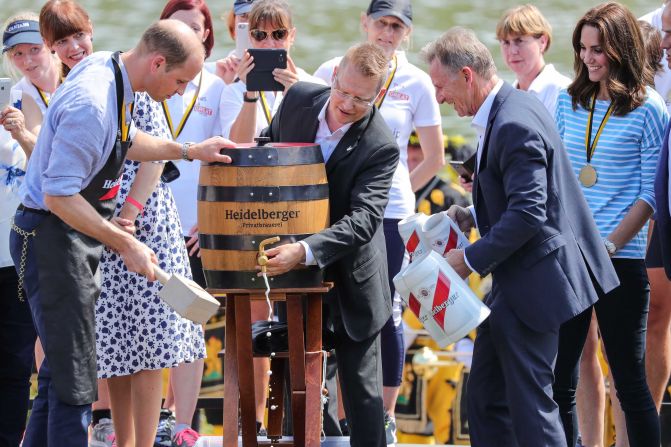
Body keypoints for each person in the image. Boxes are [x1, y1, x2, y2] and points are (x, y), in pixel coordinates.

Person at [9, 20, 233, 447]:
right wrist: (126, 241)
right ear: (158, 62)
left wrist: (186, 150)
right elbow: (59, 195)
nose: (184, 91)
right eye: (181, 80)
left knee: (59, 372)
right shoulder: (91, 104)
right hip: (51, 235)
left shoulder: (113, 70)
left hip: (67, 232)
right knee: (76, 380)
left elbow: (124, 142)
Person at [422, 27, 619, 447]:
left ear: (467, 75)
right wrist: (470, 212)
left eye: (441, 85)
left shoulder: (511, 121)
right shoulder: (513, 105)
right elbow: (521, 195)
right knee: (487, 395)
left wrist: (468, 259)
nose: (438, 97)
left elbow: (529, 213)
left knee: (531, 406)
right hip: (519, 283)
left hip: (535, 285)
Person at [313, 3, 443, 443]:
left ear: (407, 33)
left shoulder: (418, 82)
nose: (387, 32)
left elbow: (434, 157)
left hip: (390, 213)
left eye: (397, 26)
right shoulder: (334, 69)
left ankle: (382, 416)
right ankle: (335, 412)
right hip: (332, 212)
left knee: (384, 313)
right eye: (381, 22)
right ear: (364, 23)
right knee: (329, 309)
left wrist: (400, 187)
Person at [258, 42, 399, 447]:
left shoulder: (382, 144)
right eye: (344, 91)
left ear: (378, 94)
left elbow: (365, 220)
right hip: (294, 272)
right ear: (334, 75)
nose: (348, 104)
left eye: (361, 98)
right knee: (293, 379)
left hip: (353, 277)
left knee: (362, 394)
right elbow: (270, 145)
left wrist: (303, 250)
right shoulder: (299, 97)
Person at [553, 3, 668, 447]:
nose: (588, 58)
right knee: (560, 380)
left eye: (598, 49)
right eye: (582, 48)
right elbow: (558, 177)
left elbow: (651, 194)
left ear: (621, 48)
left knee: (630, 382)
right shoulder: (568, 100)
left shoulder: (650, 108)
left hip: (621, 260)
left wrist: (612, 245)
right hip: (571, 259)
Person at [153, 0, 226, 445]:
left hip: (196, 228)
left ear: (206, 36)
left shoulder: (218, 85)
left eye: (194, 28)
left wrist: (210, 218)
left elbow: (229, 153)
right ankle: (155, 416)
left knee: (190, 322)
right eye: (177, 27)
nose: (186, 34)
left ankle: (183, 423)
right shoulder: (148, 81)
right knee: (149, 320)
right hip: (153, 223)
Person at [1, 12, 60, 158]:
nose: (27, 61)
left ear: (49, 44)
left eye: (34, 49)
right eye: (18, 53)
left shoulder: (78, 73)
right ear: (10, 57)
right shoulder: (15, 101)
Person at [495, 4, 570, 115]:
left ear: (543, 41)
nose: (512, 51)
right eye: (506, 42)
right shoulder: (507, 96)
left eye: (519, 41)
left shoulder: (562, 91)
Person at [407, 131, 470, 216]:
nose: (409, 166)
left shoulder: (452, 196)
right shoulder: (396, 191)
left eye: (415, 159)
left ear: (429, 161)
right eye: (405, 160)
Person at [214, 0, 258, 84]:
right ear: (233, 27)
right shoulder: (220, 71)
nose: (250, 24)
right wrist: (222, 84)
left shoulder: (283, 68)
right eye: (244, 16)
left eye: (258, 17)